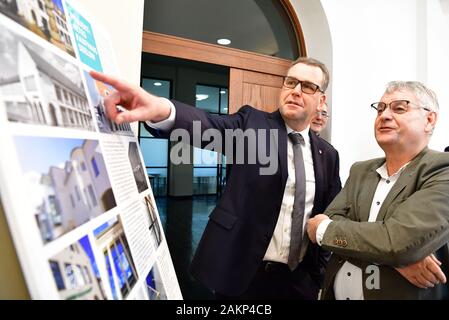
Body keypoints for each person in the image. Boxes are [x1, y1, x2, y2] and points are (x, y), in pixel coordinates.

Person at [90, 56, 342, 300]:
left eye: (307, 86)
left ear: (321, 100)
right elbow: (208, 125)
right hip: (245, 279)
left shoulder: (328, 156)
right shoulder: (252, 125)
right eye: (290, 82)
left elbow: (330, 214)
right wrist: (162, 109)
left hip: (298, 284)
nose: (296, 90)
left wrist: (317, 275)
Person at [307, 81, 449, 299]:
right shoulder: (361, 171)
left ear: (429, 120)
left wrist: (323, 230)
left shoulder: (442, 169)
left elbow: (397, 241)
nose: (384, 115)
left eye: (399, 108)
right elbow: (332, 216)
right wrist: (393, 259)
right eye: (380, 108)